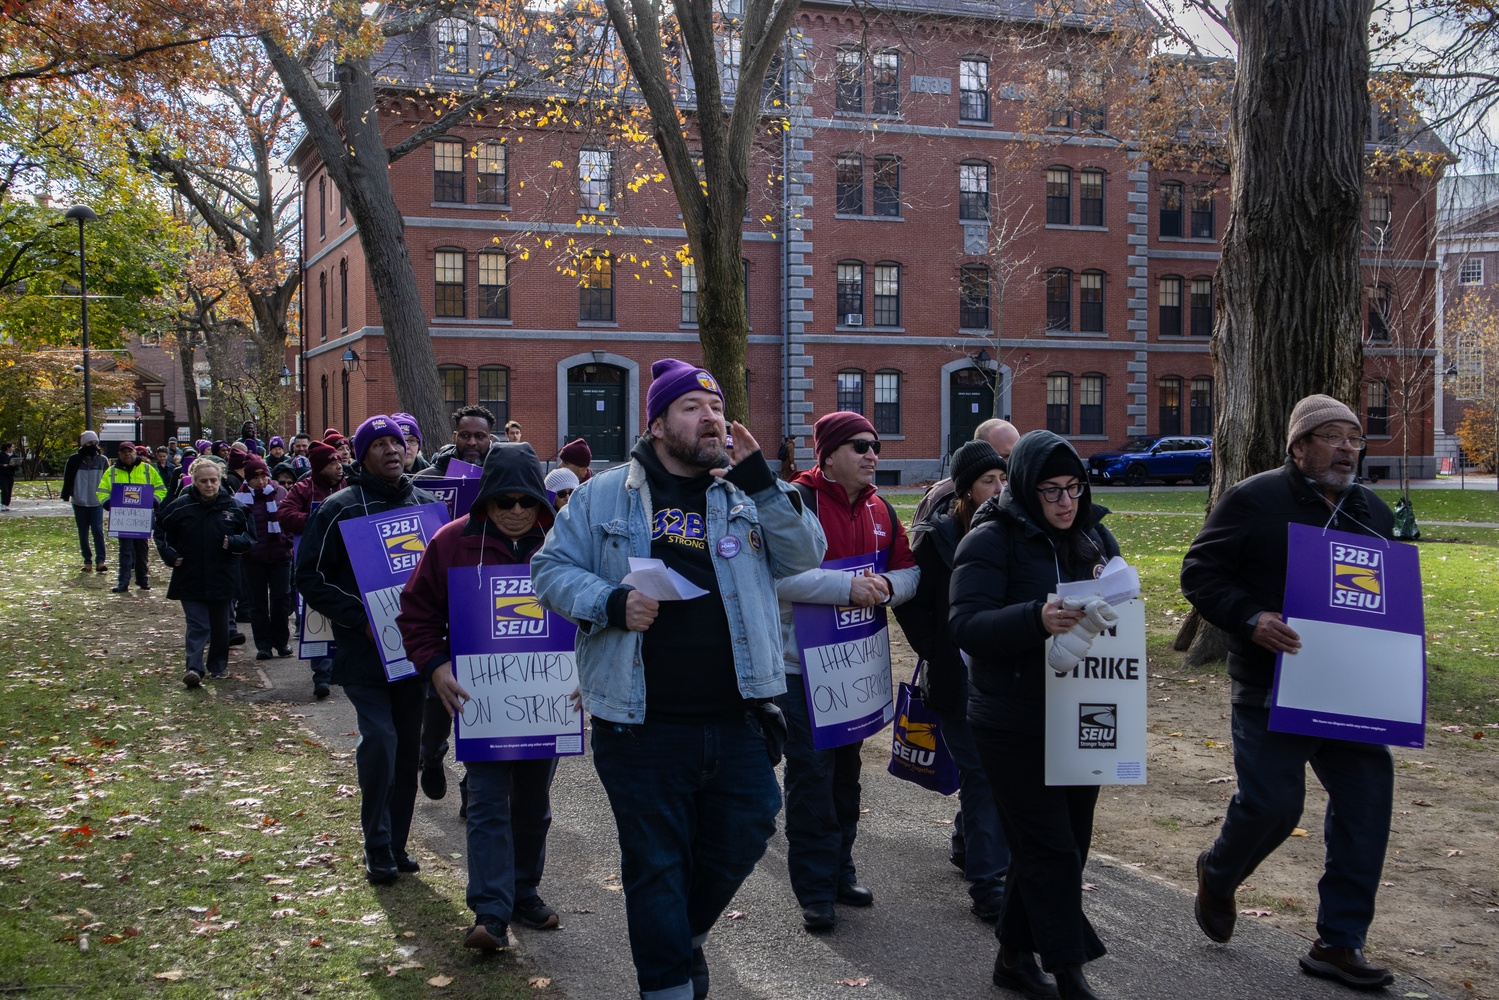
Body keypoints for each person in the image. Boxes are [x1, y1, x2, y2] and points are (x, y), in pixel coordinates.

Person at [532, 358, 826, 1000]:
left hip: (740, 716)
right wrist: (611, 602)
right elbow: (549, 571)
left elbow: (806, 556)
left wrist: (761, 480)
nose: (712, 417)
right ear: (659, 422)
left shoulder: (749, 492)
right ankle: (667, 984)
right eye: (693, 406)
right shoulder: (603, 495)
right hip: (640, 726)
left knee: (748, 830)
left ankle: (680, 935)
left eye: (716, 405)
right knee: (656, 866)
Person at [1181, 394, 1398, 991]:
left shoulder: (1371, 513)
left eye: (1355, 438)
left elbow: (1388, 601)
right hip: (1270, 688)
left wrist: (1400, 659)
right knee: (1275, 807)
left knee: (1367, 804)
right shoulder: (1253, 501)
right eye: (1333, 437)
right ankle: (1219, 874)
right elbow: (1198, 573)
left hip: (1349, 692)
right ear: (1298, 446)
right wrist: (1250, 617)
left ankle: (1338, 942)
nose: (1349, 449)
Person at [950, 430, 1123, 1000]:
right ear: (1026, 487)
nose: (1066, 502)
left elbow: (1121, 600)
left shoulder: (1095, 535)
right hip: (1010, 718)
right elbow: (966, 625)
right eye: (1051, 490)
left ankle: (1012, 958)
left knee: (1066, 840)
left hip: (1083, 711)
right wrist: (1033, 618)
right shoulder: (990, 538)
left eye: (1074, 487)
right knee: (1048, 845)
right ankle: (1070, 973)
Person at [397, 442, 563, 951]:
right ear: (486, 501)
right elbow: (415, 613)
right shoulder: (450, 543)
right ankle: (491, 915)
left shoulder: (563, 544)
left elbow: (591, 613)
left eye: (526, 501)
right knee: (489, 804)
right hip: (480, 703)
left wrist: (585, 673)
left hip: (545, 701)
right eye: (504, 501)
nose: (515, 511)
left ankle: (523, 892)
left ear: (540, 501)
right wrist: (434, 666)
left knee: (533, 806)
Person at [775, 411, 919, 932]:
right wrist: (846, 589)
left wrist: (886, 586)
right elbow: (772, 578)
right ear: (829, 455)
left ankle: (841, 872)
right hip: (800, 668)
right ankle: (813, 890)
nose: (872, 454)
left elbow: (910, 570)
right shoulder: (795, 503)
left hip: (855, 668)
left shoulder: (882, 506)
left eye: (874, 445)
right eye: (859, 446)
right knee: (811, 779)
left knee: (847, 775)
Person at [296, 415, 439, 884]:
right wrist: (361, 617)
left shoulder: (428, 508)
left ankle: (397, 844)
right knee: (379, 742)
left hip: (413, 655)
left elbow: (444, 581)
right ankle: (376, 843)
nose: (391, 451)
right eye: (378, 444)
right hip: (363, 654)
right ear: (361, 455)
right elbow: (309, 577)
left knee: (406, 752)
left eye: (396, 442)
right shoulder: (338, 509)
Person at [893, 440, 1012, 923]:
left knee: (985, 773)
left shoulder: (1008, 532)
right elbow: (908, 601)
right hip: (953, 679)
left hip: (1001, 677)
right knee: (983, 773)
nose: (999, 490)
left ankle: (967, 843)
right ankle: (989, 885)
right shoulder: (934, 537)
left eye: (1004, 480)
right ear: (964, 491)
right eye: (989, 481)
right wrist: (936, 649)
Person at [155, 457, 256, 687]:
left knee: (221, 627)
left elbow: (251, 538)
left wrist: (234, 542)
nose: (209, 485)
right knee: (198, 624)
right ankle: (193, 667)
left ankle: (218, 667)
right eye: (203, 481)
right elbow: (160, 530)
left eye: (213, 480)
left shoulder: (235, 508)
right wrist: (170, 555)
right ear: (194, 481)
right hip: (189, 576)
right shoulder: (181, 506)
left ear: (220, 479)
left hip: (223, 576)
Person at [280, 440, 346, 699]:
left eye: (339, 461)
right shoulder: (302, 488)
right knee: (317, 621)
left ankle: (340, 669)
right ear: (319, 467)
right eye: (332, 463)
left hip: (345, 564)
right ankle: (322, 676)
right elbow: (284, 515)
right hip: (315, 564)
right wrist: (316, 521)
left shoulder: (348, 487)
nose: (339, 466)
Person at [915, 417, 1020, 524]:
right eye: (1006, 456)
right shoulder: (940, 496)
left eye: (1018, 455)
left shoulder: (1022, 490)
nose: (1015, 463)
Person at [240, 457, 293, 660]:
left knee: (281, 598)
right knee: (258, 603)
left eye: (264, 476)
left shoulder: (280, 492)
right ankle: (263, 645)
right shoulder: (241, 498)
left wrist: (288, 541)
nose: (261, 482)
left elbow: (289, 516)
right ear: (248, 480)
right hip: (253, 557)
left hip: (280, 555)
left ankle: (282, 642)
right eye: (256, 478)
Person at [98, 442, 168, 593]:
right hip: (123, 519)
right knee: (125, 550)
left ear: (135, 453)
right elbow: (102, 491)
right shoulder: (111, 472)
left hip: (141, 518)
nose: (127, 454)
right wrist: (107, 502)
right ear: (119, 454)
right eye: (124, 452)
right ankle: (123, 582)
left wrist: (155, 500)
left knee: (142, 550)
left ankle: (142, 580)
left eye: (130, 451)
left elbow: (161, 489)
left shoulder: (147, 470)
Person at [61, 431, 111, 572]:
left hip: (96, 502)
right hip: (79, 501)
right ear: (83, 443)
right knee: (83, 532)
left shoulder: (102, 460)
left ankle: (100, 560)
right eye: (90, 443)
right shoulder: (74, 460)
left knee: (97, 530)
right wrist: (69, 494)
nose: (93, 446)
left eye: (95, 443)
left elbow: (108, 480)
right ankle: (87, 560)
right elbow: (68, 478)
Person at [419, 405, 495, 477]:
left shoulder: (503, 478)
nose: (472, 443)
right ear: (455, 437)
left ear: (490, 439)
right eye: (465, 436)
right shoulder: (427, 478)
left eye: (480, 436)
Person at [0, 442, 19, 511]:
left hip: (10, 474)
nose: (13, 448)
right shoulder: (1, 455)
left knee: (9, 489)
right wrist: (3, 465)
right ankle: (2, 504)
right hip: (2, 474)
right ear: (8, 448)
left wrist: (14, 465)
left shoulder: (14, 456)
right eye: (12, 447)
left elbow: (17, 467)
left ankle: (6, 504)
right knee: (5, 489)